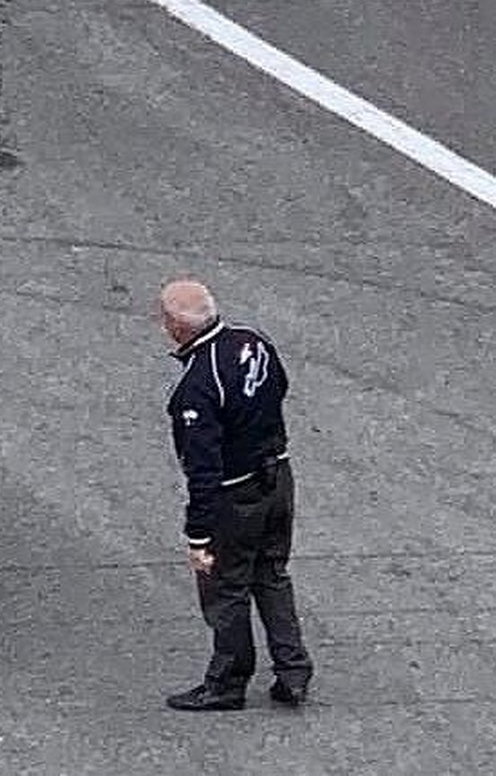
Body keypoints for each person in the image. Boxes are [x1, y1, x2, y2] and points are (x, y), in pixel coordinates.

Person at [159, 279, 313, 711]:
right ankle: (293, 670)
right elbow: (279, 386)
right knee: (272, 573)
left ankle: (227, 682)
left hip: (236, 492)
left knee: (225, 589)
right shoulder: (253, 341)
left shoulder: (198, 384)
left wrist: (198, 535)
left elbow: (203, 469)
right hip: (278, 475)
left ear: (176, 327)